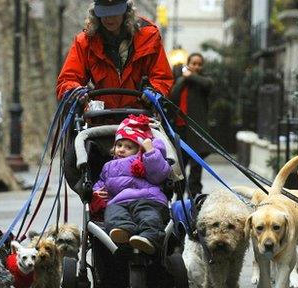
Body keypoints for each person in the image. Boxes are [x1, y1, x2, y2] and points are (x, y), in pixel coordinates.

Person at [56, 0, 173, 109]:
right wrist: (75, 91)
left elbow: (161, 77)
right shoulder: (85, 41)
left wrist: (154, 91)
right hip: (99, 118)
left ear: (126, 11)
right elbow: (68, 79)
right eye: (104, 13)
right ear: (96, 13)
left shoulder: (148, 36)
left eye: (114, 13)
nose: (109, 19)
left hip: (140, 117)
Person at [92, 114, 171, 255]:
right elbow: (101, 182)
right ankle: (123, 230)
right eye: (119, 145)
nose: (122, 149)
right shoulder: (108, 166)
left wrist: (150, 152)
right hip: (118, 202)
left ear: (138, 150)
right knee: (112, 214)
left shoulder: (143, 160)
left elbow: (159, 174)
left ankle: (148, 238)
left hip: (147, 198)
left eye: (128, 147)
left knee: (149, 216)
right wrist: (96, 192)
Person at [170, 53, 213, 197]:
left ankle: (194, 197)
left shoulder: (203, 82)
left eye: (199, 64)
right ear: (188, 64)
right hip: (180, 129)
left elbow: (208, 84)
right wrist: (184, 78)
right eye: (193, 63)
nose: (196, 66)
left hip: (196, 132)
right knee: (179, 167)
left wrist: (189, 75)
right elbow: (173, 95)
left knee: (196, 168)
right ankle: (179, 198)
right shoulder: (181, 81)